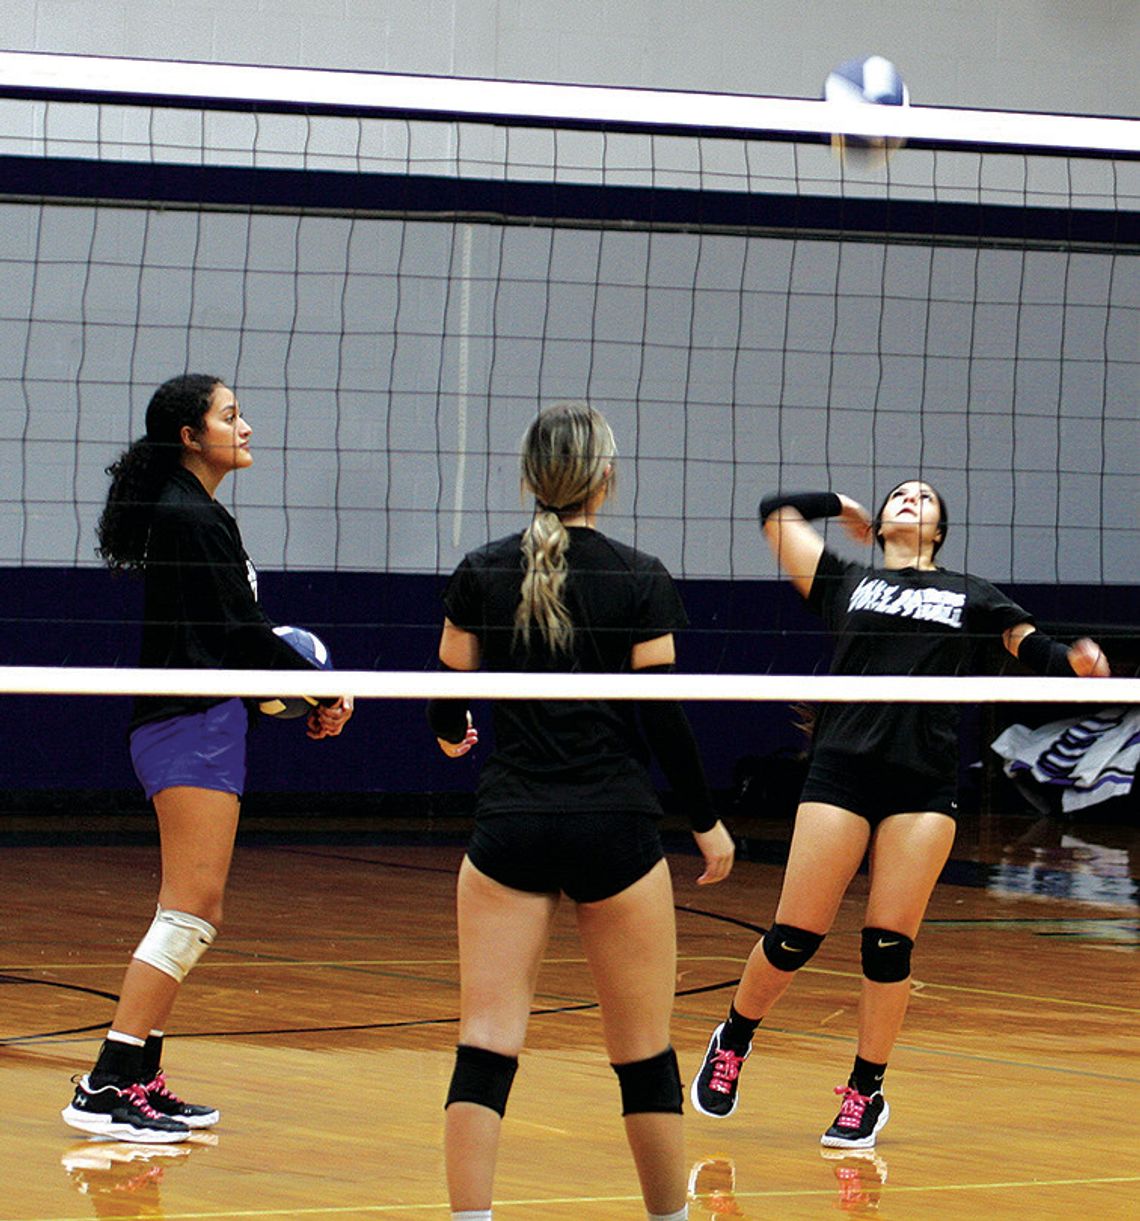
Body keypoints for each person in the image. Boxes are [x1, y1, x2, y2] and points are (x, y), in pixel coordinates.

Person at [691, 480, 1110, 1149]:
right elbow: (775, 515)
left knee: (888, 944)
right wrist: (839, 502)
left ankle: (865, 1089)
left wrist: (1080, 664)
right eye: (900, 495)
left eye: (926, 497)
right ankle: (733, 1037)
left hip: (923, 782)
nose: (911, 498)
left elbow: (1034, 647)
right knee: (796, 933)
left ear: (940, 528)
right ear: (882, 521)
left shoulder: (971, 593)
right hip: (842, 770)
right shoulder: (845, 580)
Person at [429, 402, 735, 1221]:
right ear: (606, 478)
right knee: (643, 1053)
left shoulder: (482, 568)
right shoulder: (638, 575)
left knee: (486, 1042)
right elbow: (662, 714)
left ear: (531, 479)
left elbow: (448, 687)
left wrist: (452, 731)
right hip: (615, 825)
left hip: (512, 823)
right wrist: (704, 819)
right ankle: (669, 1218)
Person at [62, 373, 353, 1143]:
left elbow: (234, 636)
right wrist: (324, 690)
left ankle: (139, 1076)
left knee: (190, 909)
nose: (246, 426)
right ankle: (105, 1084)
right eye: (230, 415)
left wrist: (299, 695)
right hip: (187, 724)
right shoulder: (188, 517)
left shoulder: (195, 513)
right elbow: (241, 636)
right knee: (190, 910)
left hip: (204, 720)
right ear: (191, 437)